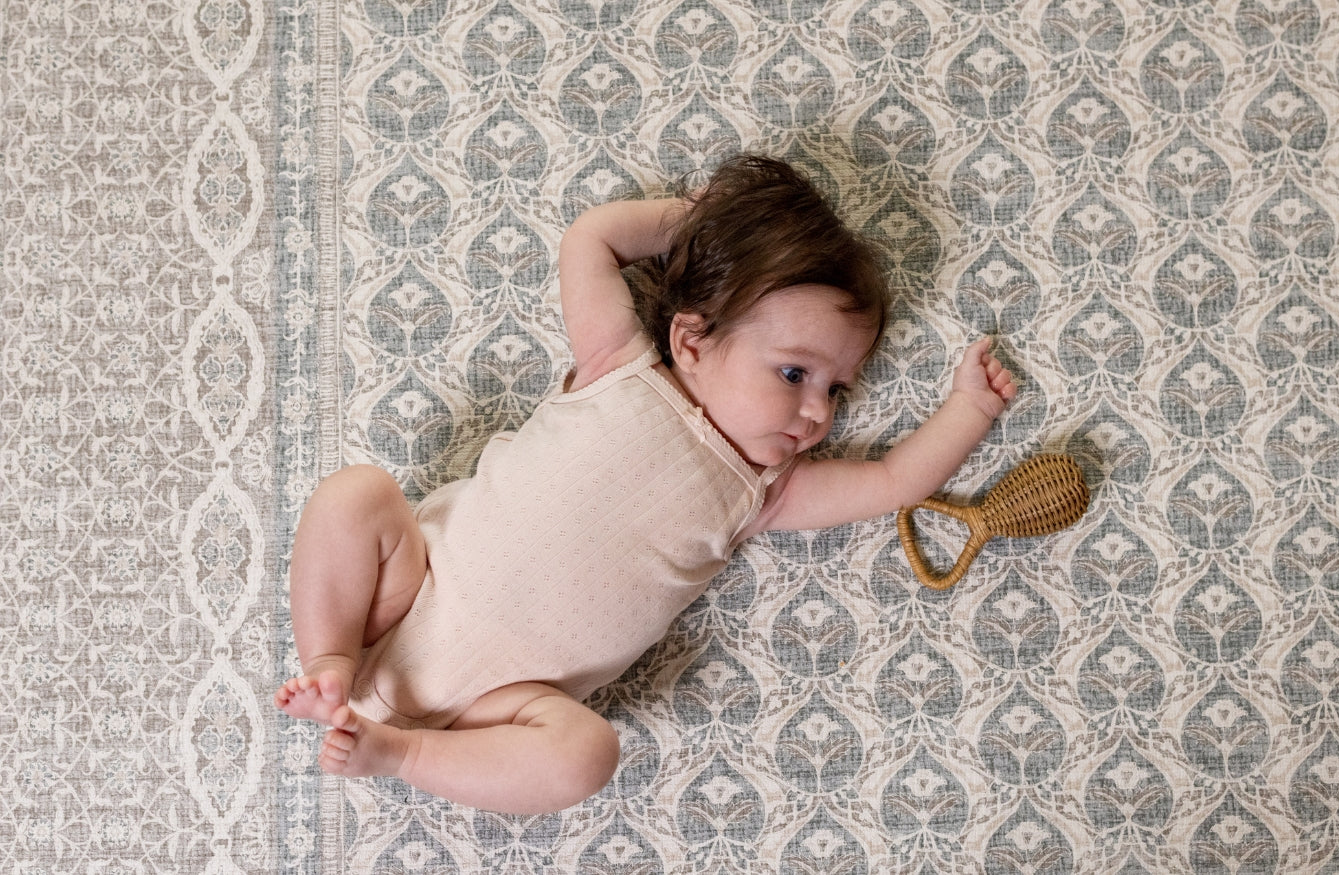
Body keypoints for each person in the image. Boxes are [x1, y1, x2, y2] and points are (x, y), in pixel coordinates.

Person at [274, 155, 1016, 814]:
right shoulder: (617, 364)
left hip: (500, 710)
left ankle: (398, 751)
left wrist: (968, 408)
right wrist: (701, 225)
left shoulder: (760, 491)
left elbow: (891, 480)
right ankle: (331, 665)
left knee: (586, 753)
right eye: (794, 373)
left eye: (836, 390)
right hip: (408, 594)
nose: (817, 410)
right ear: (692, 340)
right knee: (356, 494)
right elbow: (589, 240)